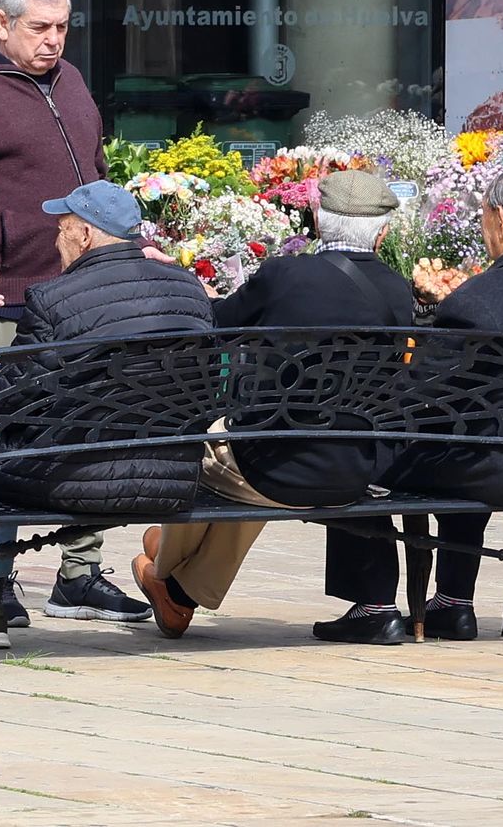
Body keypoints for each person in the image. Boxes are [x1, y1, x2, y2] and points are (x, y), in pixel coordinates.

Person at [0, 0, 152, 627]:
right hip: (6, 291)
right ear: (1, 23)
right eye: (40, 28)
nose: (54, 41)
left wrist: (129, 245)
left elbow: (98, 178)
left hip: (82, 295)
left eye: (62, 28)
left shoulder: (72, 82)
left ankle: (79, 574)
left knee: (86, 426)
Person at [316, 166, 503, 645]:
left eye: (483, 218)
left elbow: (415, 400)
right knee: (475, 429)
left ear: (500, 219)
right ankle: (453, 602)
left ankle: (374, 605)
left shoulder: (478, 300)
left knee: (349, 446)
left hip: (496, 469)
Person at [129, 170, 414, 639]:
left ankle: (169, 577)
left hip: (273, 466)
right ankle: (174, 587)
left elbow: (216, 325)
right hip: (357, 469)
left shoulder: (287, 274)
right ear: (382, 233)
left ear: (319, 222)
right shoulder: (397, 291)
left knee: (215, 449)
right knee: (262, 451)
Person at [0, 180, 214, 649]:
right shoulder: (191, 291)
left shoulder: (52, 299)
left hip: (73, 478)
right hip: (172, 478)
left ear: (85, 236)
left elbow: (8, 403)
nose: (55, 239)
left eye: (62, 228)